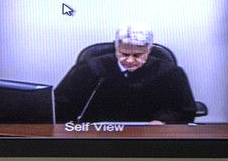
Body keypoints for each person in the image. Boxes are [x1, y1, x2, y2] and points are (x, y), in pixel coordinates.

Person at [53, 24, 197, 124]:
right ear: (115, 47)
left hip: (150, 137)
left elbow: (185, 110)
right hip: (96, 136)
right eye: (124, 53)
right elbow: (61, 104)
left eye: (137, 55)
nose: (129, 60)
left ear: (149, 49)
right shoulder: (90, 69)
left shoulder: (168, 72)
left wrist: (162, 121)